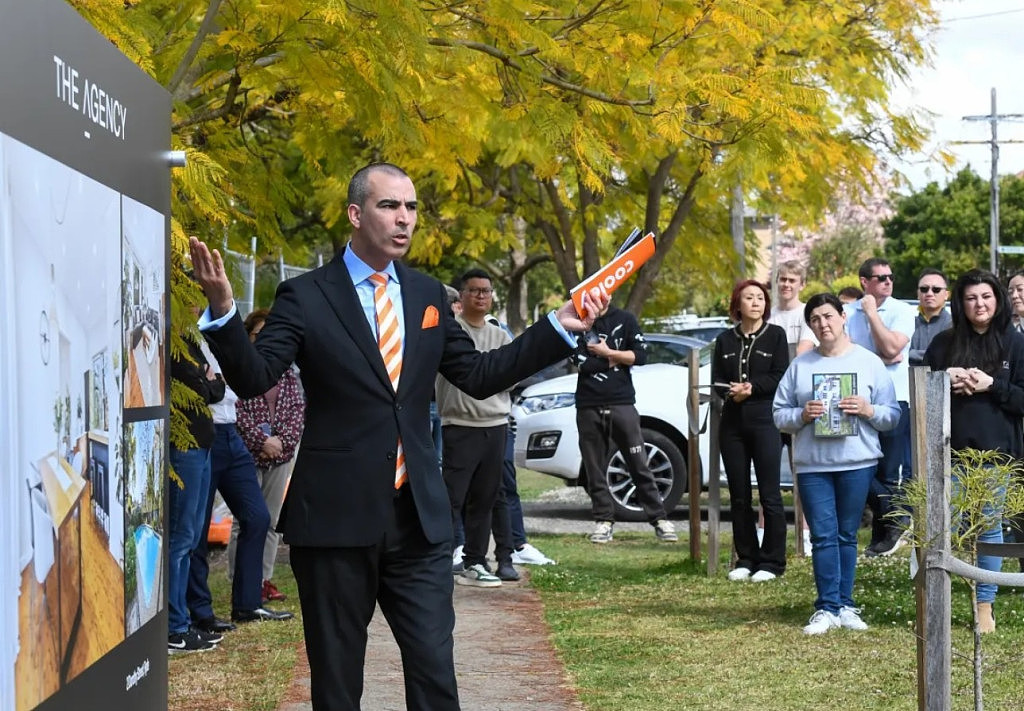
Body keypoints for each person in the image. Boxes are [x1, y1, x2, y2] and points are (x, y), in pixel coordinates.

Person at [188, 162, 604, 711]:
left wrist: (556, 328)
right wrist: (222, 313)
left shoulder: (428, 294)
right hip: (336, 521)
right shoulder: (305, 296)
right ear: (357, 215)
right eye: (390, 206)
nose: (404, 219)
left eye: (411, 207)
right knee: (337, 685)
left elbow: (479, 375)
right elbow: (253, 376)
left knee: (435, 675)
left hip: (419, 521)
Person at [773, 293, 900, 635]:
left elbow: (892, 416)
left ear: (844, 317)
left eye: (828, 316)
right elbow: (779, 415)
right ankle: (826, 607)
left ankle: (845, 604)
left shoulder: (869, 362)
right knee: (823, 535)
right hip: (814, 464)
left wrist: (868, 409)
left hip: (857, 462)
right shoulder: (800, 366)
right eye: (814, 320)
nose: (822, 324)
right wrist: (802, 414)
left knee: (847, 533)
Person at [925, 269, 1024, 633]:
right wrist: (944, 381)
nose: (979, 304)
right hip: (949, 453)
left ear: (997, 300)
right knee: (945, 525)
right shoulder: (943, 344)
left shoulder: (1015, 343)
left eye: (985, 296)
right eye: (970, 298)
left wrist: (991, 385)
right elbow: (922, 394)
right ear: (960, 303)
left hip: (997, 455)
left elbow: (1021, 399)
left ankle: (985, 604)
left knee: (988, 527)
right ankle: (941, 597)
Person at [188, 344, 294, 628]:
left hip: (231, 432)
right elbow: (202, 388)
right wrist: (213, 384)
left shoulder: (226, 340)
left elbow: (235, 386)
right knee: (196, 527)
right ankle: (199, 611)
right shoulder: (189, 339)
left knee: (258, 516)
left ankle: (248, 604)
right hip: (204, 428)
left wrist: (216, 383)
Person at [436, 268, 519, 586]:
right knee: (451, 497)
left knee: (486, 497)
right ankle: (439, 560)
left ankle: (475, 560)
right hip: (459, 423)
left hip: (495, 424)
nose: (481, 296)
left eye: (486, 291)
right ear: (462, 295)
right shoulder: (449, 331)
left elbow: (511, 374)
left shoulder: (499, 334)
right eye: (474, 290)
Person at [574, 303, 677, 544]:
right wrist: (617, 359)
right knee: (594, 468)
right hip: (588, 405)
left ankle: (659, 519)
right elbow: (582, 364)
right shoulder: (577, 323)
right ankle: (603, 521)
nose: (600, 300)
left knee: (638, 462)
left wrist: (608, 353)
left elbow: (640, 356)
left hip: (622, 403)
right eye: (594, 294)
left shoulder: (626, 319)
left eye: (604, 293)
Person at [713, 280, 789, 581]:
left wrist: (752, 388)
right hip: (732, 422)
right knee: (739, 494)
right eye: (749, 297)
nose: (755, 302)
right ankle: (745, 558)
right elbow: (717, 379)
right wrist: (731, 393)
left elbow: (780, 374)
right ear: (738, 304)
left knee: (770, 494)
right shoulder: (725, 340)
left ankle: (772, 561)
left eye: (760, 297)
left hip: (765, 420)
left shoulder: (776, 336)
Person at [231, 309, 306, 604]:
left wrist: (281, 444)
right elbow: (235, 412)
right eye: (259, 334)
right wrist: (262, 441)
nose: (267, 340)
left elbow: (297, 412)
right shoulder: (238, 368)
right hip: (247, 453)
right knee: (246, 519)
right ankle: (241, 579)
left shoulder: (289, 374)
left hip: (280, 456)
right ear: (248, 336)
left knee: (272, 521)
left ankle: (263, 580)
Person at [845, 258, 916, 556]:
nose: (888, 281)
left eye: (891, 276)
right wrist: (880, 356)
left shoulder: (902, 310)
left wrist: (872, 314)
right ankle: (897, 516)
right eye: (880, 277)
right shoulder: (846, 313)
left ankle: (881, 538)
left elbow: (891, 349)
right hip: (855, 400)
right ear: (865, 282)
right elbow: (842, 354)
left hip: (894, 398)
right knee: (859, 466)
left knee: (888, 470)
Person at [167, 335, 225, 653]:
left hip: (202, 445)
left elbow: (216, 390)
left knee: (189, 539)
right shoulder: (176, 343)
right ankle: (174, 627)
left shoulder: (191, 341)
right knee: (180, 538)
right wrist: (207, 381)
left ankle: (183, 622)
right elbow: (202, 389)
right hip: (184, 446)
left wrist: (209, 381)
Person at [767, 260, 816, 553]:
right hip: (770, 405)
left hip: (799, 403)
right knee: (767, 474)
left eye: (792, 280)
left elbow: (800, 356)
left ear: (801, 284)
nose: (786, 285)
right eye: (782, 279)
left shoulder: (806, 314)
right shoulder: (769, 316)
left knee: (804, 474)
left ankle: (806, 536)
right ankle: (765, 533)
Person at [908, 269, 951, 366]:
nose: (929, 293)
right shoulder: (906, 321)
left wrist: (911, 354)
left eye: (936, 289)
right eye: (924, 289)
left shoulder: (954, 325)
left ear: (946, 295)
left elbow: (946, 357)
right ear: (918, 294)